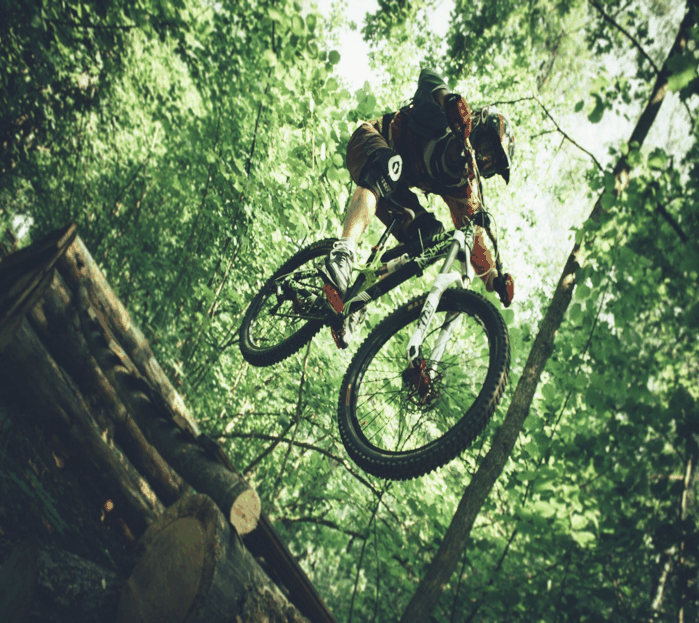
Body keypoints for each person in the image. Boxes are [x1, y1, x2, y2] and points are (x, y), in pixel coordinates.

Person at [324, 68, 516, 346]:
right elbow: (429, 78)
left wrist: (495, 281)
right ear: (476, 126)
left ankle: (358, 297)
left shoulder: (460, 185)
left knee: (433, 240)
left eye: (489, 165)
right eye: (485, 148)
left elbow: (476, 241)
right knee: (390, 168)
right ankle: (342, 254)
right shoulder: (443, 118)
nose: (481, 159)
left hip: (393, 189)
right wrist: (448, 99)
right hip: (368, 144)